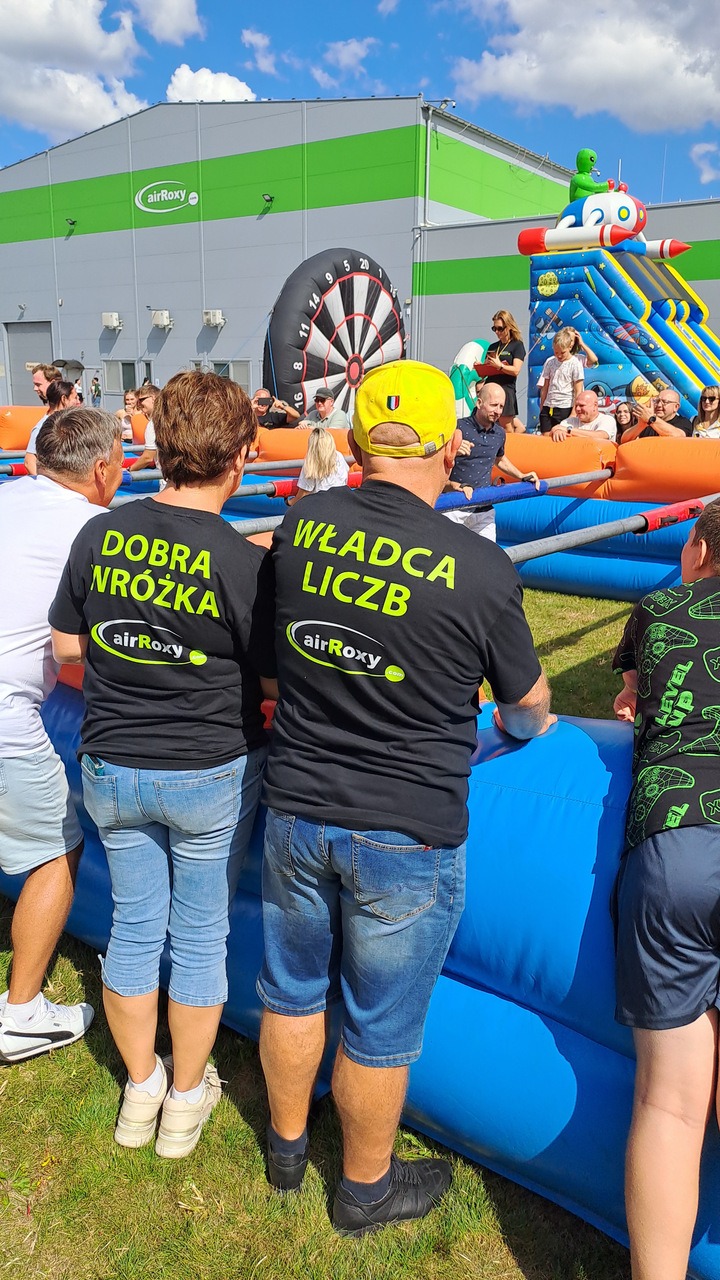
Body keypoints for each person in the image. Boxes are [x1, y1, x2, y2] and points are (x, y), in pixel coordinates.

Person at [256, 358, 553, 1235]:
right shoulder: (480, 567)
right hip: (405, 830)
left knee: (291, 991)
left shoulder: (301, 526)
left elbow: (276, 662)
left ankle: (285, 1150)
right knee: (379, 1027)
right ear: (452, 448)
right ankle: (364, 1190)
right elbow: (528, 709)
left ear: (353, 447)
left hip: (295, 806)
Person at [49, 371, 277, 1159]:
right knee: (201, 935)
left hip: (112, 764)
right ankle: (183, 1100)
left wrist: (136, 648)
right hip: (207, 769)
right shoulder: (240, 562)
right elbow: (273, 682)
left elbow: (68, 644)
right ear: (240, 457)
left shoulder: (100, 533)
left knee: (135, 925)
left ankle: (140, 1086)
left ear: (154, 444)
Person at [611, 497, 720, 1280]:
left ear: (698, 553)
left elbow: (629, 702)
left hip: (674, 838)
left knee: (669, 1106)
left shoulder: (658, 608)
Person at [0, 408, 124, 1063]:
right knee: (58, 848)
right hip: (5, 717)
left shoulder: (8, 496)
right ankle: (21, 1015)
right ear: (101, 469)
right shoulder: (93, 528)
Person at [443, 382, 540, 541]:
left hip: (484, 510)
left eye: (501, 406)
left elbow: (499, 459)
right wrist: (451, 449)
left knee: (488, 554)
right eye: (494, 405)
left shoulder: (499, 433)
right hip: (454, 508)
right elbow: (434, 459)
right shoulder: (457, 428)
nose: (498, 411)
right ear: (479, 403)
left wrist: (522, 475)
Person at [24, 380, 81, 475]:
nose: (78, 402)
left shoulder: (70, 423)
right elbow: (29, 462)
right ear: (64, 399)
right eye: (75, 398)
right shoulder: (42, 428)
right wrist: (46, 483)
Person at [483, 310, 526, 432]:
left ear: (509, 327)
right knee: (486, 423)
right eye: (494, 329)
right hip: (491, 386)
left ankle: (510, 444)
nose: (497, 332)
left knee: (506, 426)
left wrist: (500, 366)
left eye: (500, 328)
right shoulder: (493, 347)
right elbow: (486, 370)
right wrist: (482, 367)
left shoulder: (517, 345)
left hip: (506, 388)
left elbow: (516, 370)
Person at [537, 329, 584, 435]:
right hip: (548, 406)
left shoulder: (575, 363)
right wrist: (542, 406)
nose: (559, 356)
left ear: (570, 347)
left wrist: (573, 412)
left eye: (562, 352)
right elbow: (545, 386)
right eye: (556, 352)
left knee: (561, 436)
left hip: (565, 407)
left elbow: (578, 390)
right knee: (545, 435)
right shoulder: (550, 362)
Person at [288, 425, 349, 506]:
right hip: (340, 502)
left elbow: (303, 494)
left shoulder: (311, 462)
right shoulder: (339, 456)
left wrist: (288, 502)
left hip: (320, 506)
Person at [23, 364, 63, 474]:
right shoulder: (43, 426)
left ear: (52, 383)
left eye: (38, 384)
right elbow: (29, 462)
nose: (35, 389)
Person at [619, 388, 693, 442]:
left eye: (664, 402)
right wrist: (640, 425)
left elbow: (678, 436)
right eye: (657, 401)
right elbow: (624, 440)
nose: (659, 405)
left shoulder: (683, 422)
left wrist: (652, 419)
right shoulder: (647, 422)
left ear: (676, 407)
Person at [549, 389, 617, 442]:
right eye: (576, 405)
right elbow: (556, 428)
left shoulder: (607, 420)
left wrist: (568, 430)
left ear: (595, 406)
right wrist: (557, 431)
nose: (577, 409)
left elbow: (601, 436)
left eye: (582, 405)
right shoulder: (569, 422)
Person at [127, 385, 161, 471]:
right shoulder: (175, 418)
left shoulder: (154, 424)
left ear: (153, 398)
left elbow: (147, 457)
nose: (138, 404)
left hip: (169, 475)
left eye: (141, 400)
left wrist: (129, 470)